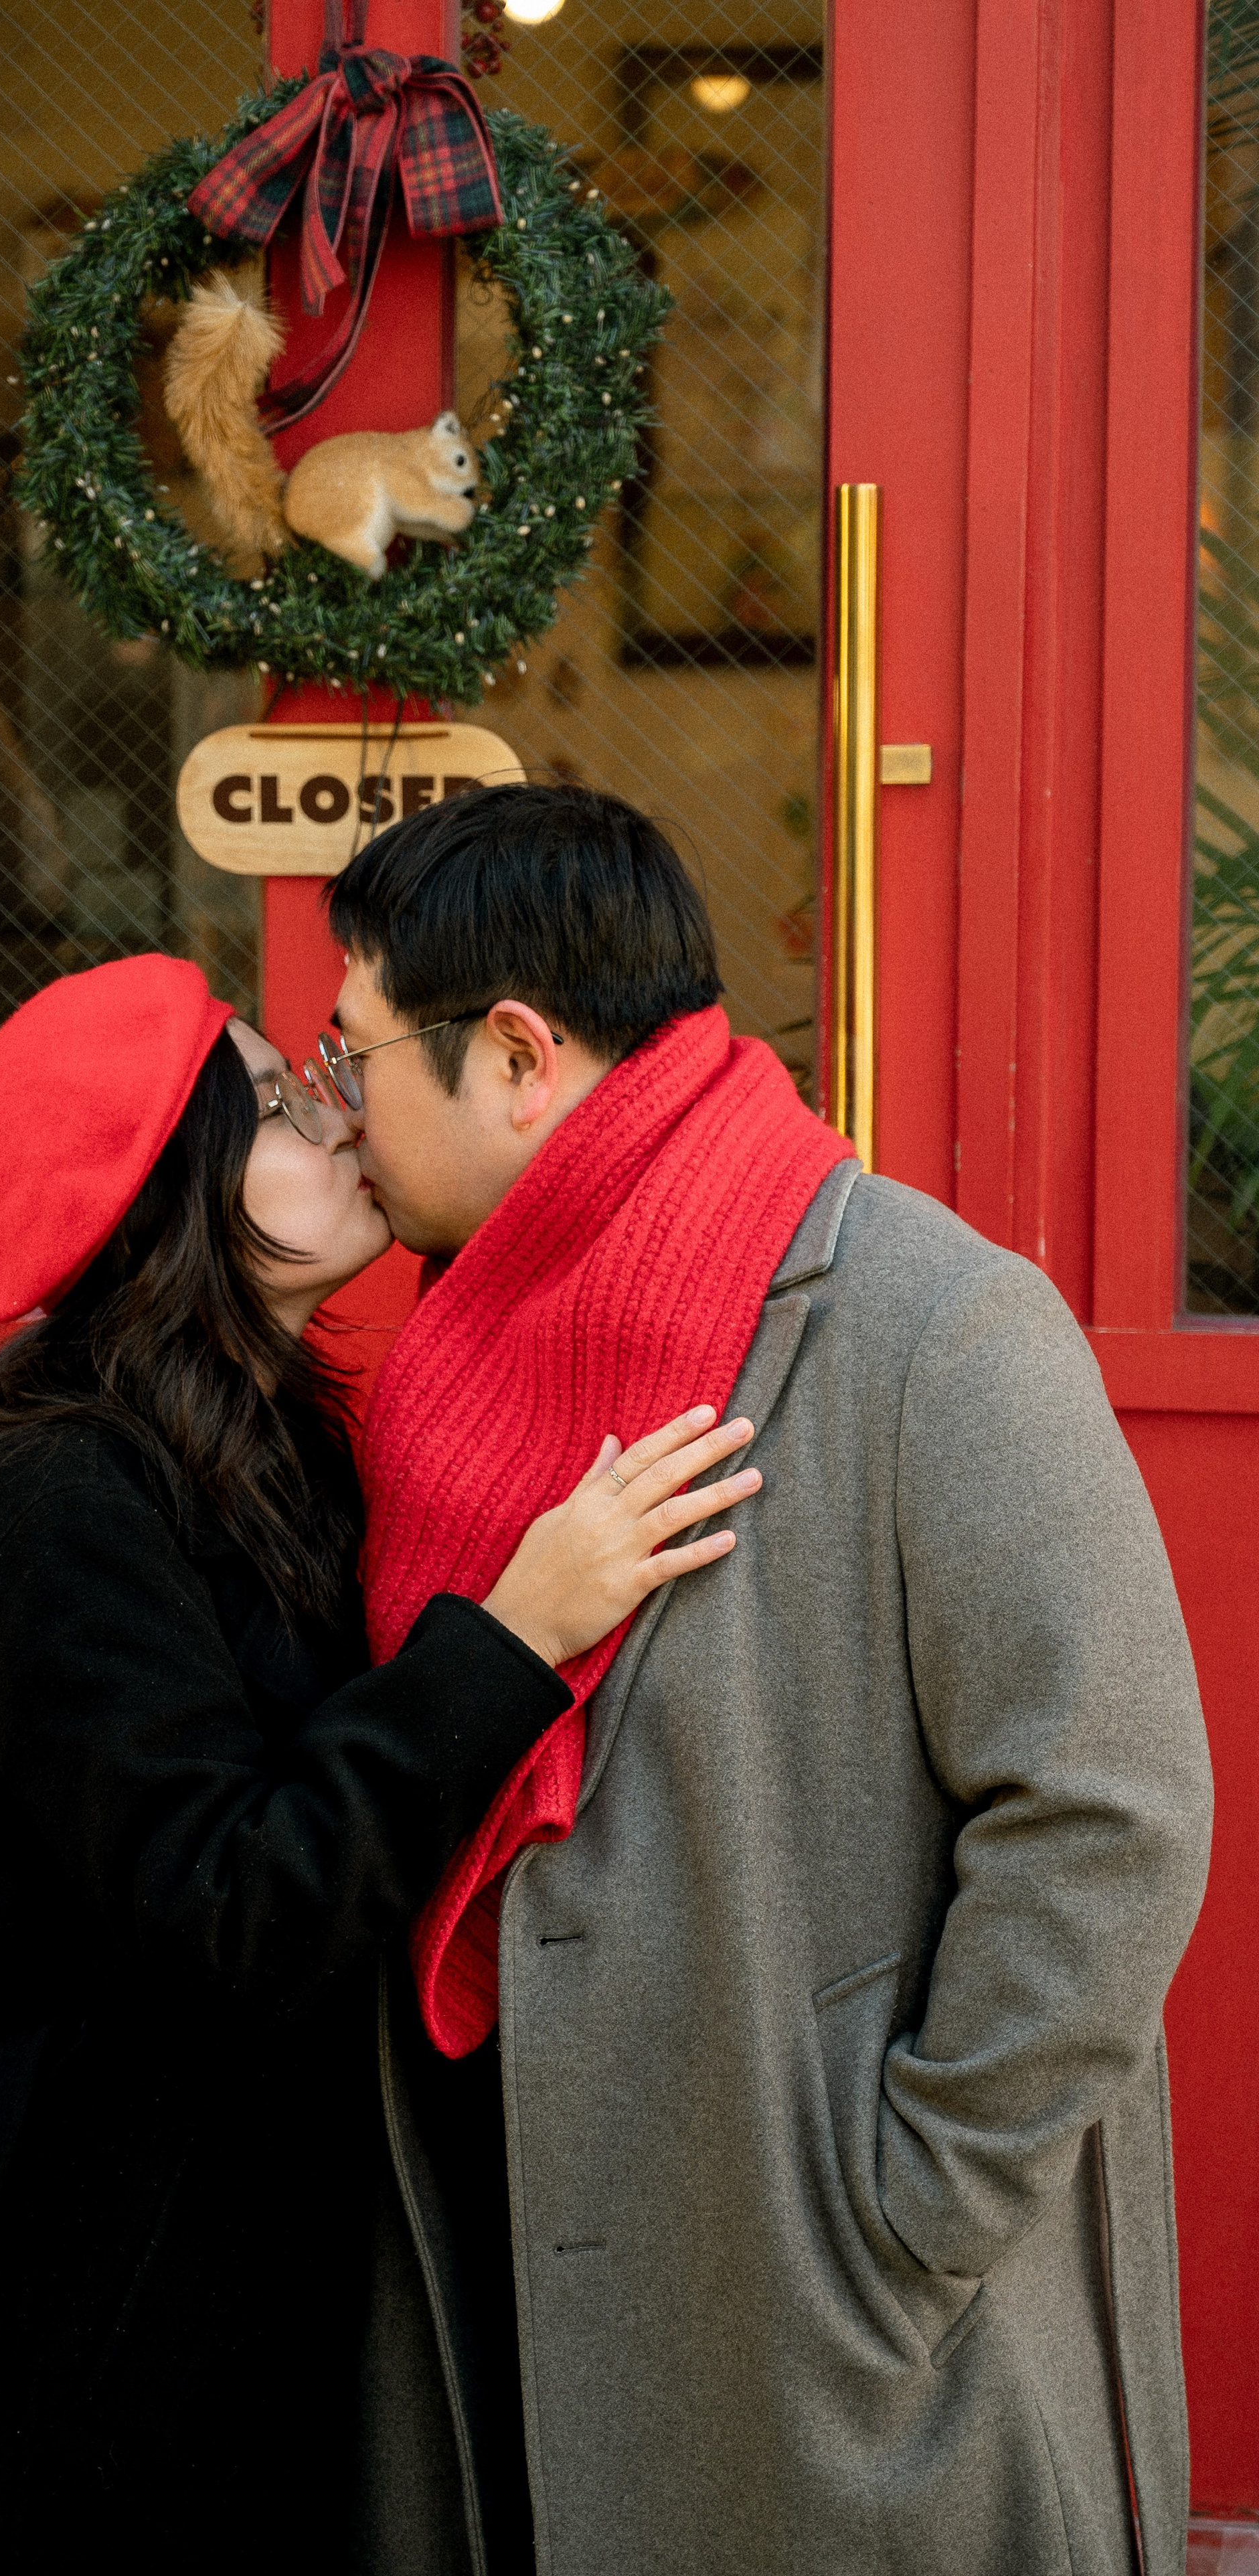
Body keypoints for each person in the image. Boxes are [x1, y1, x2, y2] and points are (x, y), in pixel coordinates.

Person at [0, 952, 760, 2573]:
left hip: (166, 2312)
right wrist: (514, 1629)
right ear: (162, 1195)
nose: (333, 1118)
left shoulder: (278, 1453)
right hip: (5, 2372)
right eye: (268, 1102)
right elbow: (232, 1899)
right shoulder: (44, 1502)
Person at [320, 782, 1214, 2576]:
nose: (337, 1119)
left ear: (515, 1056)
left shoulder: (926, 1320)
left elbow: (1112, 1814)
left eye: (354, 1062)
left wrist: (898, 2220)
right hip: (507, 2258)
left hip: (823, 2344)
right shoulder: (456, 1353)